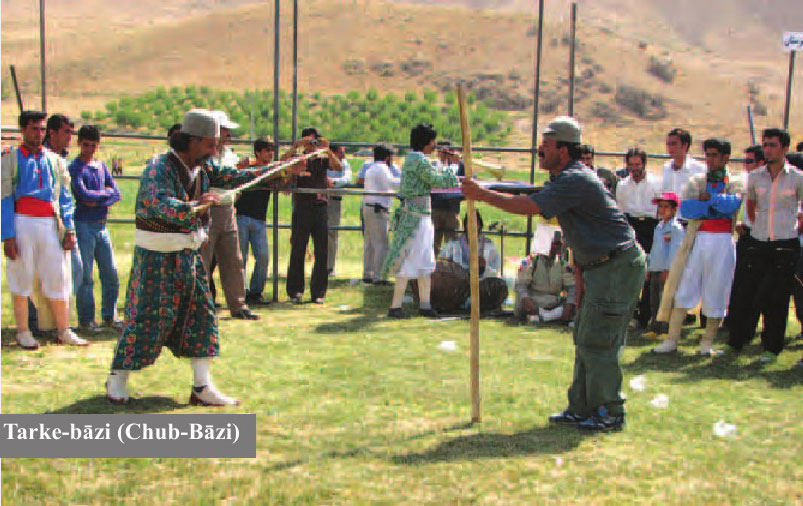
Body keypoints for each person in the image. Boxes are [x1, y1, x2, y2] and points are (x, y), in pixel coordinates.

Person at [462, 116, 645, 432]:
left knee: (599, 340)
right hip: (599, 266)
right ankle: (582, 407)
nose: (539, 151)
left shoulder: (575, 179)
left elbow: (530, 205)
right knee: (585, 336)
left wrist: (483, 194)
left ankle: (610, 411)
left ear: (564, 149)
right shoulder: (566, 179)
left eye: (545, 146)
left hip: (616, 268)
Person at [105, 109, 290, 405]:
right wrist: (195, 206)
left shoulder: (205, 168)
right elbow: (157, 204)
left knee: (201, 318)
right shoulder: (159, 167)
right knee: (145, 320)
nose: (215, 150)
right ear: (191, 141)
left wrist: (278, 169)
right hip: (156, 260)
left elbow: (237, 176)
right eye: (210, 144)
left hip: (189, 257)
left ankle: (202, 387)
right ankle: (117, 378)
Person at [1, 110, 87, 349]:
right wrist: (8, 235)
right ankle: (23, 331)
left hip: (50, 221)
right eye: (33, 128)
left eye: (41, 129)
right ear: (23, 130)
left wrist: (69, 229)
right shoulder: (10, 158)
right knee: (22, 274)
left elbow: (65, 197)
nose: (37, 134)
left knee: (58, 274)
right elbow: (5, 198)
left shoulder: (54, 160)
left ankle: (63, 329)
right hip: (22, 220)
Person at [653, 138, 742, 355]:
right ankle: (672, 339)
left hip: (722, 241)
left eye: (714, 155)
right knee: (684, 287)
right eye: (707, 155)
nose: (709, 160)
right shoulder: (697, 180)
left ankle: (706, 344)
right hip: (698, 238)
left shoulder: (735, 181)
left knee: (717, 290)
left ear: (725, 157)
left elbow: (731, 205)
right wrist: (713, 205)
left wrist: (709, 201)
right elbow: (689, 209)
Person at [722, 128, 803, 363]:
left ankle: (771, 347)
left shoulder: (797, 178)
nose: (768, 149)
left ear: (785, 148)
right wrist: (757, 228)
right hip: (758, 242)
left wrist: (795, 228)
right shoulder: (755, 177)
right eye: (765, 145)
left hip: (785, 243)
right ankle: (736, 341)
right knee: (746, 293)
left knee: (777, 298)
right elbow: (750, 205)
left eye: (773, 145)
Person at [382, 123, 459, 318]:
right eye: (433, 141)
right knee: (409, 260)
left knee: (425, 261)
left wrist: (443, 164)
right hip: (416, 218)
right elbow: (438, 181)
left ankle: (425, 305)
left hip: (421, 216)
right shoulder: (418, 159)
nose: (435, 145)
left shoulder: (416, 159)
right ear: (426, 142)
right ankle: (396, 306)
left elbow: (432, 176)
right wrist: (453, 166)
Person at [201, 110, 260, 320]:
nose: (228, 135)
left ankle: (238, 305)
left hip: (228, 209)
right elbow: (222, 177)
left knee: (234, 260)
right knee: (204, 261)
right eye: (225, 130)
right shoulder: (205, 155)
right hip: (207, 211)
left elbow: (235, 175)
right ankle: (202, 307)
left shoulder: (229, 153)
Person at [69, 125, 122, 331]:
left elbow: (116, 192)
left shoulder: (101, 167)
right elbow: (83, 196)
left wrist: (98, 199)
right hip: (84, 225)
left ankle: (110, 314)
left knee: (110, 272)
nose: (89, 149)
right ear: (79, 143)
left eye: (93, 145)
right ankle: (86, 318)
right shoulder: (75, 168)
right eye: (86, 145)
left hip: (101, 225)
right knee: (86, 275)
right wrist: (105, 196)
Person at [283, 127, 343, 304]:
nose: (311, 145)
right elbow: (281, 163)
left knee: (322, 249)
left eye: (313, 141)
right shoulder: (297, 157)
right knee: (298, 248)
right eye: (307, 141)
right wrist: (296, 147)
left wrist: (327, 150)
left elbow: (338, 167)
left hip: (320, 206)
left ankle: (318, 292)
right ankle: (295, 290)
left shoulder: (324, 157)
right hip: (302, 206)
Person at [723, 145, 766, 332]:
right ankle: (734, 323)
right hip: (745, 235)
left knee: (757, 285)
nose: (745, 165)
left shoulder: (767, 185)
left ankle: (749, 327)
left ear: (761, 163)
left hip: (762, 237)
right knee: (739, 281)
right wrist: (741, 223)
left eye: (749, 161)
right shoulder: (747, 182)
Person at [615, 147, 659, 329]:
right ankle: (628, 312)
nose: (634, 168)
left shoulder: (656, 182)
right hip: (632, 226)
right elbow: (621, 210)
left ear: (644, 164)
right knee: (630, 270)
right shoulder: (622, 185)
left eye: (637, 164)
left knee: (649, 270)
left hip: (651, 226)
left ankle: (645, 314)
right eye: (630, 164)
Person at [432, 210, 509, 313]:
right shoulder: (454, 244)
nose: (472, 226)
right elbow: (441, 264)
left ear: (479, 225)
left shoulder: (489, 245)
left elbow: (497, 269)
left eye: (475, 223)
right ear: (465, 225)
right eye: (469, 223)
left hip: (481, 284)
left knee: (499, 285)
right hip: (458, 287)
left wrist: (485, 267)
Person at [235, 138, 279, 306]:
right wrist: (241, 167)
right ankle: (241, 292)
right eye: (267, 150)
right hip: (242, 216)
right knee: (242, 258)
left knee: (263, 256)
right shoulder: (247, 169)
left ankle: (255, 292)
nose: (270, 154)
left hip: (259, 219)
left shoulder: (271, 171)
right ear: (258, 152)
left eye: (272, 150)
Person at [643, 192, 684, 338]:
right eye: (660, 206)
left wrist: (668, 270)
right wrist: (649, 267)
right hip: (655, 267)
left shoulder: (676, 228)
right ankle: (655, 327)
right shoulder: (659, 226)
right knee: (654, 299)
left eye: (666, 207)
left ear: (674, 210)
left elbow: (675, 252)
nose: (662, 210)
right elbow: (654, 249)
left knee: (666, 300)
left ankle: (667, 329)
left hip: (667, 270)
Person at [514, 230, 575, 323]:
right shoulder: (530, 261)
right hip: (533, 301)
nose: (557, 247)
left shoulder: (562, 264)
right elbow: (520, 285)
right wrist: (527, 301)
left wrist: (569, 305)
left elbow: (572, 287)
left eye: (558, 244)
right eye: (554, 244)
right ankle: (550, 316)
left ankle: (545, 317)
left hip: (554, 303)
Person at [362, 143, 399, 285]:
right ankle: (379, 276)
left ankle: (368, 273)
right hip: (378, 209)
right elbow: (392, 184)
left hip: (369, 207)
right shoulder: (383, 168)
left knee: (370, 243)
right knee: (382, 244)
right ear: (387, 157)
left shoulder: (371, 168)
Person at [661, 128, 706, 221]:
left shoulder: (699, 169)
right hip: (670, 222)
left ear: (685, 145)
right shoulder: (666, 168)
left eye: (674, 144)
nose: (670, 148)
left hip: (691, 222)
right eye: (668, 144)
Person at [431, 140, 464, 254]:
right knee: (434, 242)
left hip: (452, 208)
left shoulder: (459, 165)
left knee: (452, 242)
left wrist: (456, 162)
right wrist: (442, 162)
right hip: (436, 207)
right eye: (442, 152)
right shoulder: (433, 165)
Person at [326, 144, 352, 276]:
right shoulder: (324, 161)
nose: (343, 155)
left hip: (335, 201)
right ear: (333, 153)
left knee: (332, 234)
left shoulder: (345, 164)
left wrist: (333, 182)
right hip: (321, 199)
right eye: (341, 152)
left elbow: (347, 178)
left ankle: (329, 267)